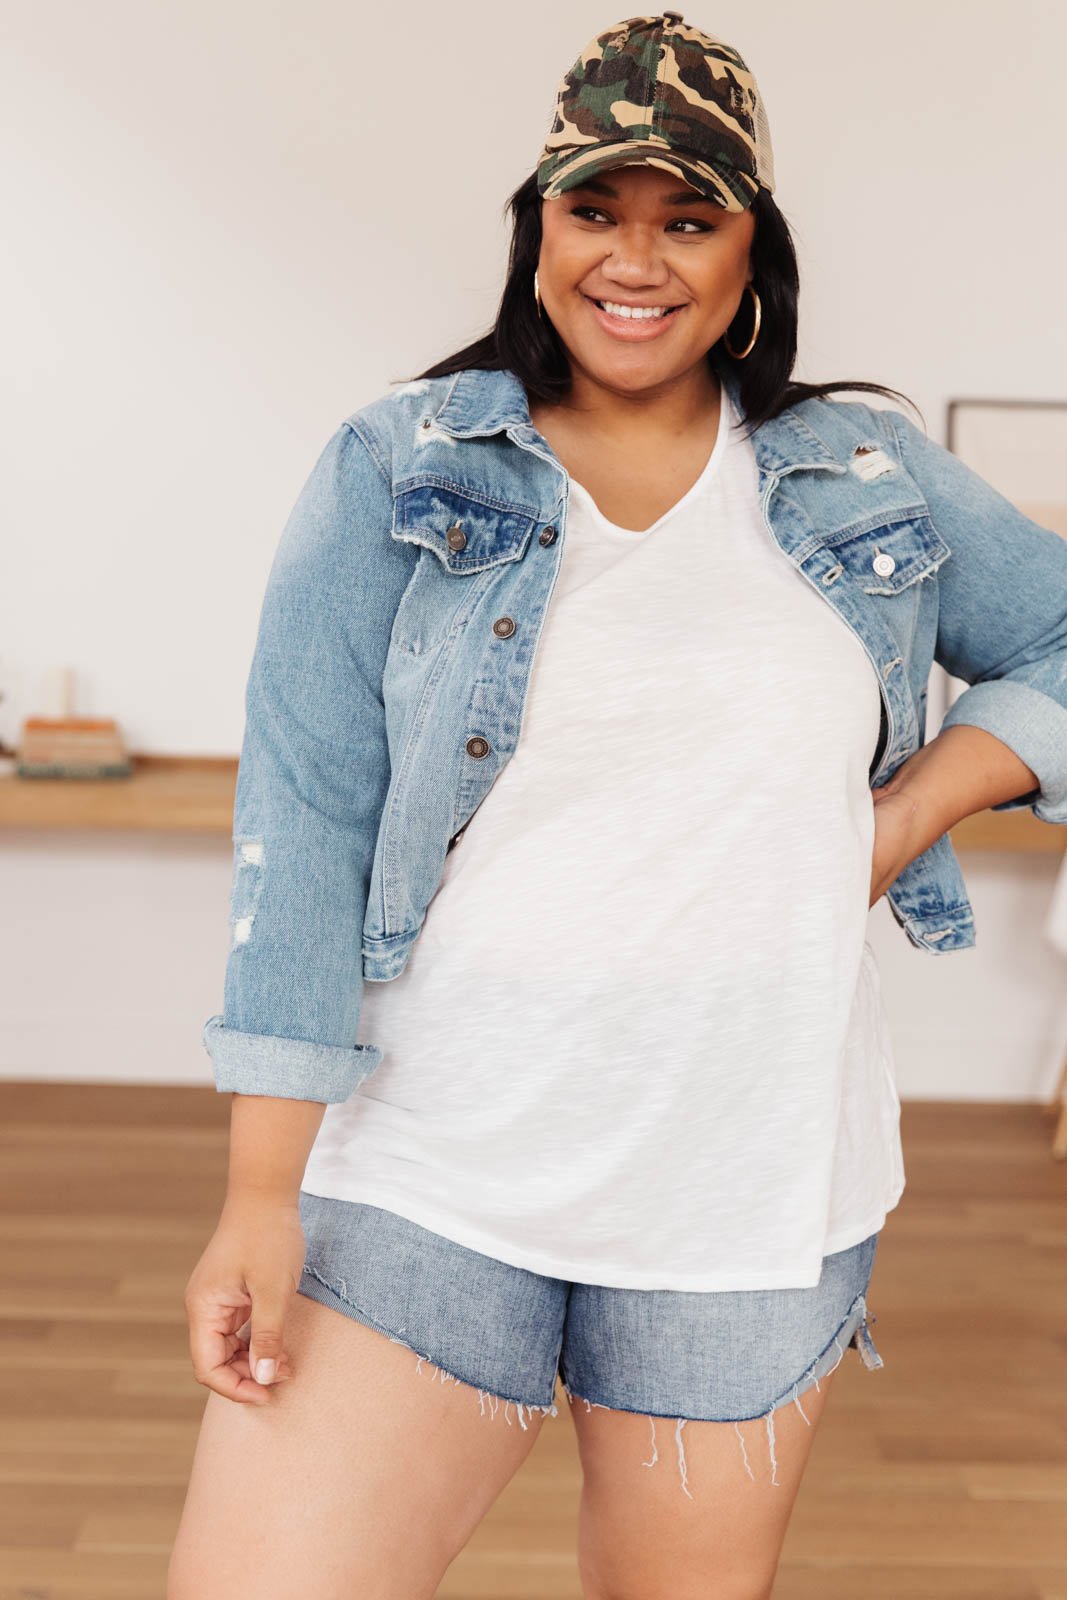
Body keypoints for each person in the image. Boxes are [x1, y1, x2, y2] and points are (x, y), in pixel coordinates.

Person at [167, 13, 1067, 1599]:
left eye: (689, 218)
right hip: (431, 1173)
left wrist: (908, 814)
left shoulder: (864, 470)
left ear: (750, 255)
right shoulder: (400, 465)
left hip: (750, 1186)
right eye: (596, 210)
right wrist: (256, 1197)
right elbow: (302, 821)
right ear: (539, 234)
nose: (633, 260)